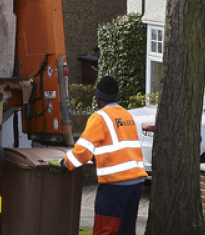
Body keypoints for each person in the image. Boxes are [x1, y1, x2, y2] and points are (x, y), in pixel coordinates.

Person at [50, 76, 147, 235]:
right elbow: (118, 147)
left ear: (98, 97)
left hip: (115, 187)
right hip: (136, 184)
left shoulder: (99, 118)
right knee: (127, 229)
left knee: (106, 230)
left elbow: (83, 150)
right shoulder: (127, 116)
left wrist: (65, 163)